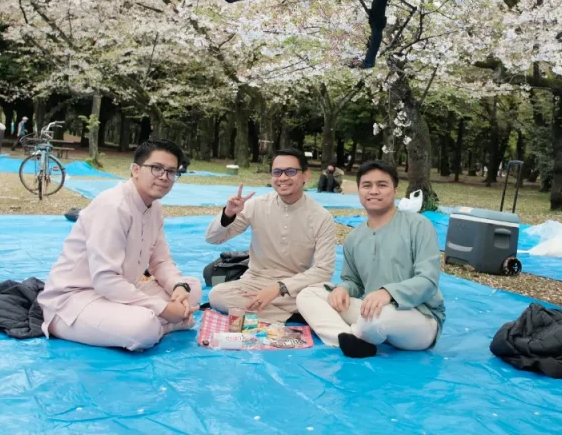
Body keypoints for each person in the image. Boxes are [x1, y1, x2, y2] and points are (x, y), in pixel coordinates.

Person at [38, 139, 201, 351]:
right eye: (156, 168)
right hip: (77, 298)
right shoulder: (113, 206)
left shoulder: (154, 207)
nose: (164, 177)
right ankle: (163, 326)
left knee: (192, 288)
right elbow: (105, 280)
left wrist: (179, 287)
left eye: (171, 172)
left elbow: (160, 261)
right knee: (143, 327)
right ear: (135, 170)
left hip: (125, 288)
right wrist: (163, 309)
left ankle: (161, 321)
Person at [296, 160, 445, 358]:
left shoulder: (418, 226)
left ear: (395, 190)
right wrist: (342, 289)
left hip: (418, 318)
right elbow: (354, 282)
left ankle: (358, 334)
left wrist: (388, 293)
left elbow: (428, 280)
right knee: (308, 295)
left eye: (382, 185)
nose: (373, 191)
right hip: (372, 310)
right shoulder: (354, 238)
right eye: (367, 185)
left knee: (376, 319)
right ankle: (346, 337)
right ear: (359, 190)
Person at [204, 148, 335, 323]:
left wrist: (280, 287)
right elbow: (213, 238)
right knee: (218, 295)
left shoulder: (322, 217)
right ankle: (294, 317)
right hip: (256, 282)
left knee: (329, 296)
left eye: (290, 172)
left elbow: (323, 270)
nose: (282, 178)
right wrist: (228, 213)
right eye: (277, 172)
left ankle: (276, 312)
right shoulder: (256, 206)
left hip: (296, 287)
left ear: (305, 175)